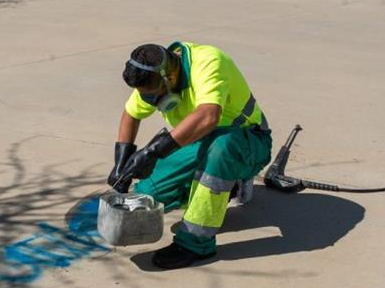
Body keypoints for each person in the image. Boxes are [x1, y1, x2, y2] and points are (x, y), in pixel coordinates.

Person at [109, 42, 273, 269]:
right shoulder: (152, 75)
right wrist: (122, 159)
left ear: (169, 76)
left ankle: (196, 243)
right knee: (149, 194)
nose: (151, 100)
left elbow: (209, 117)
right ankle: (228, 188)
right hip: (198, 143)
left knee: (221, 148)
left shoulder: (209, 62)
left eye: (154, 94)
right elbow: (131, 114)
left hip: (246, 143)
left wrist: (153, 152)